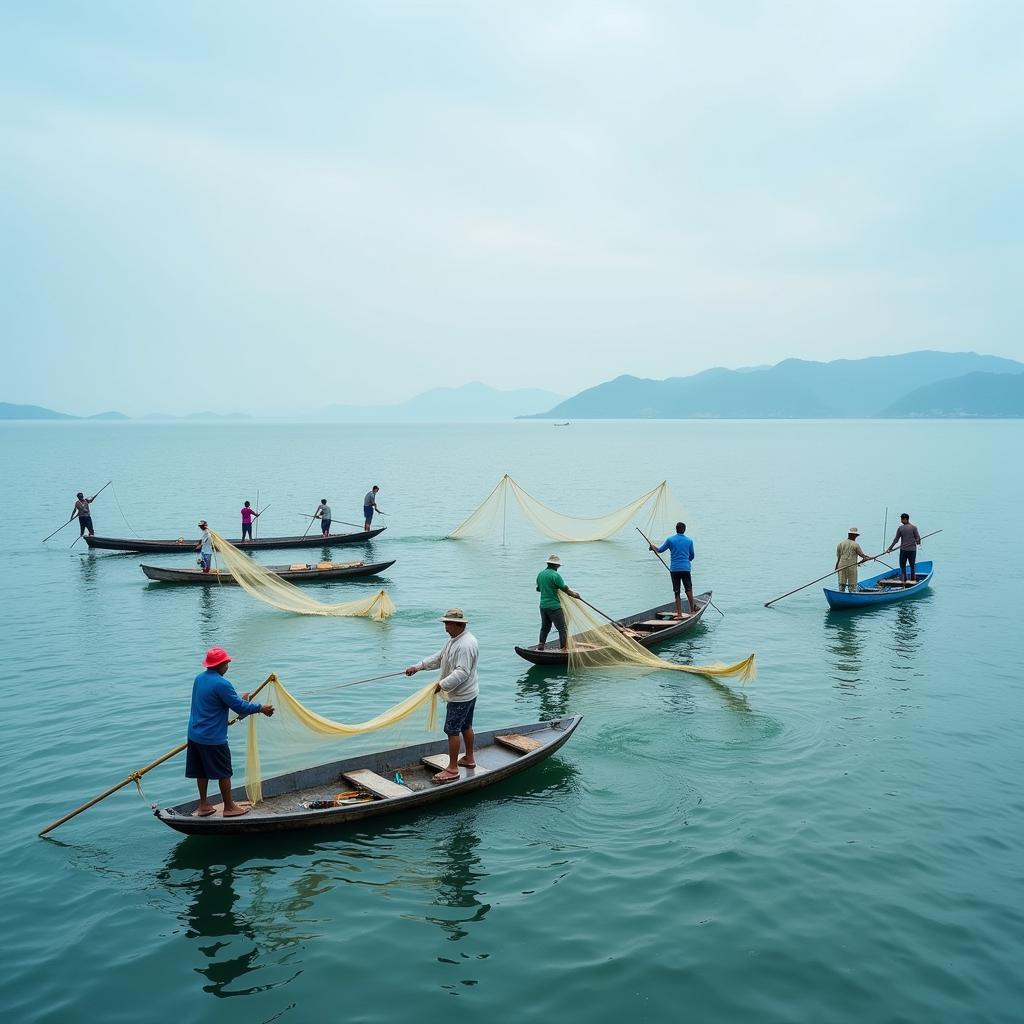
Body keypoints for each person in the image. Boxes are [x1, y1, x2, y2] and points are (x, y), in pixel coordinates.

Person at [186, 647, 275, 818]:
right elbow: (239, 707)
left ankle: (203, 805)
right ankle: (229, 807)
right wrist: (261, 708)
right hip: (213, 738)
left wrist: (240, 698)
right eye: (226, 663)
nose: (227, 666)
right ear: (219, 665)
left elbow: (216, 700)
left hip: (195, 735)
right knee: (224, 772)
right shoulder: (222, 683)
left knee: (201, 771)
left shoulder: (199, 679)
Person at [405, 608, 479, 784]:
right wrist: (418, 667)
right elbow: (440, 658)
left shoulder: (465, 645)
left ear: (458, 624)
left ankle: (453, 769)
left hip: (461, 695)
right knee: (466, 725)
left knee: (452, 730)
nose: (445, 627)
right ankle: (469, 758)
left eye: (447, 623)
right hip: (469, 692)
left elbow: (462, 673)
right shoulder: (454, 640)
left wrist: (441, 685)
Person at [650, 522, 696, 618]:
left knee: (677, 591)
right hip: (685, 569)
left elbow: (660, 550)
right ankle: (692, 610)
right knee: (688, 589)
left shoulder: (670, 540)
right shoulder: (689, 541)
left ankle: (679, 614)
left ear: (676, 529)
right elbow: (692, 556)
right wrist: (687, 562)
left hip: (674, 569)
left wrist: (653, 547)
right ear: (684, 530)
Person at [536, 555, 580, 651]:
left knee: (545, 627)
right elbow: (564, 588)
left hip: (543, 606)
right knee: (562, 628)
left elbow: (538, 589)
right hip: (554, 606)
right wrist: (575, 595)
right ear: (556, 565)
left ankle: (541, 645)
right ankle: (564, 649)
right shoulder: (555, 575)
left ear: (548, 563)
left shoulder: (540, 574)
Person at [887, 513, 923, 584]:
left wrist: (890, 548)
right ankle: (913, 580)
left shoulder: (900, 528)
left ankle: (904, 580)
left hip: (903, 550)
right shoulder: (914, 528)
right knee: (912, 565)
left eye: (902, 519)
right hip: (912, 550)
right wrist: (917, 541)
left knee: (902, 566)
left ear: (905, 519)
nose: (901, 520)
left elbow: (896, 540)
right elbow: (918, 540)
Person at [835, 527, 870, 592]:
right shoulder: (856, 545)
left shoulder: (840, 544)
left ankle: (841, 593)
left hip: (841, 566)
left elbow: (838, 557)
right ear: (855, 536)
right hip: (851, 567)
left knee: (841, 584)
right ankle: (852, 594)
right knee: (852, 585)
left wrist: (836, 567)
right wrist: (866, 559)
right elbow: (863, 556)